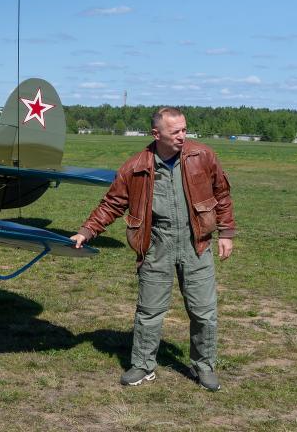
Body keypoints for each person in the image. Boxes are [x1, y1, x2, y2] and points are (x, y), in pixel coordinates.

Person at [71, 107, 236, 391]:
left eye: (185, 130)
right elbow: (112, 203)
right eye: (176, 132)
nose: (183, 136)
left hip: (196, 243)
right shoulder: (135, 167)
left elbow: (221, 193)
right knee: (149, 311)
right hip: (156, 244)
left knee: (203, 311)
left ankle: (204, 366)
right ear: (156, 134)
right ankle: (143, 366)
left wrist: (227, 232)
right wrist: (88, 230)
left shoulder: (202, 156)